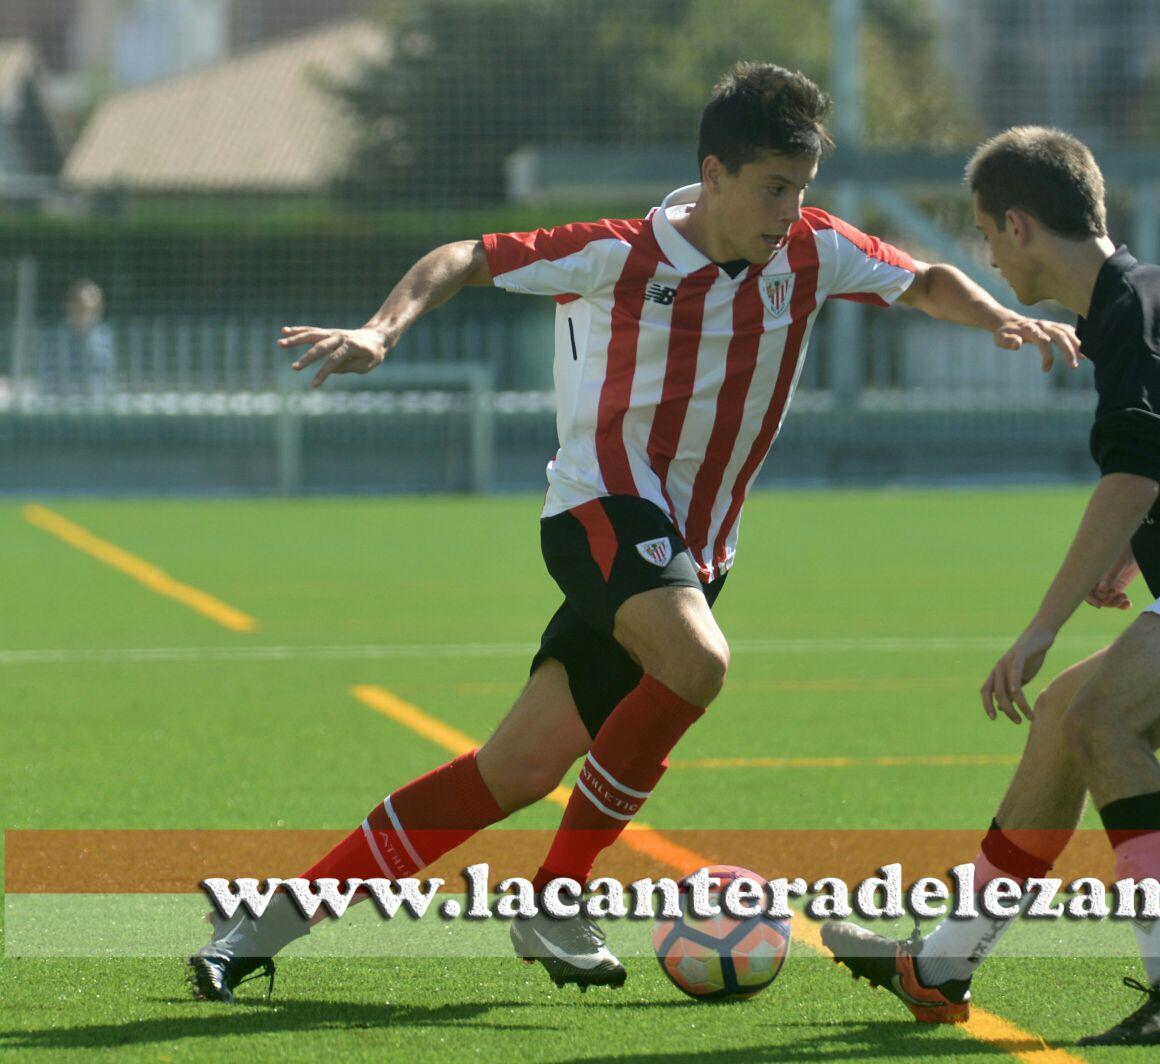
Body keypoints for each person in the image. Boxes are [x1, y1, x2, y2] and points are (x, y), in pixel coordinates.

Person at [189, 66, 1079, 1003]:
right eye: (774, 186)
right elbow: (465, 256)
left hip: (692, 555)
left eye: (802, 189)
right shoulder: (620, 253)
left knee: (514, 770)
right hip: (599, 510)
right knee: (698, 663)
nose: (790, 208)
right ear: (714, 174)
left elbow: (927, 280)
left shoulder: (813, 251)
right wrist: (382, 329)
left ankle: (269, 920)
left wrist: (1002, 319)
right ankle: (555, 897)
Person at [822, 126, 1160, 1046]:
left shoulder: (1137, 305)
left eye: (988, 235)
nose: (987, 255)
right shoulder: (1132, 306)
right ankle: (944, 961)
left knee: (1102, 722)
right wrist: (1132, 552)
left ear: (1020, 223)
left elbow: (1135, 474)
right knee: (1064, 719)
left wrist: (1041, 627)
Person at [38, 281, 116, 397]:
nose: (88, 315)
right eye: (82, 309)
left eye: (93, 310)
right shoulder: (54, 339)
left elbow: (107, 377)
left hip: (95, 403)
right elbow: (46, 377)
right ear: (70, 307)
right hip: (61, 402)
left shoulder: (104, 338)